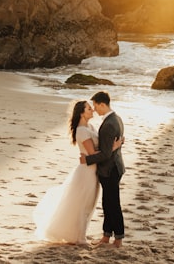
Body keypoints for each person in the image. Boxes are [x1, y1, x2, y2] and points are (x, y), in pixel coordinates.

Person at [33, 100, 121, 246]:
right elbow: (93, 153)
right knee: (83, 205)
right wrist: (113, 147)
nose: (92, 110)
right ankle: (80, 238)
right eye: (88, 108)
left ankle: (80, 235)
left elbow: (96, 151)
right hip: (86, 172)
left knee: (88, 204)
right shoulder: (82, 130)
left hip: (93, 171)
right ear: (81, 112)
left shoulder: (90, 126)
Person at [82, 91, 126, 247]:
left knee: (112, 204)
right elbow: (119, 142)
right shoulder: (117, 119)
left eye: (95, 105)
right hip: (116, 167)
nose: (94, 109)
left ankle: (118, 238)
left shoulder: (108, 124)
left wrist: (87, 159)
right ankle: (107, 236)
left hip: (110, 169)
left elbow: (106, 154)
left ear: (102, 104)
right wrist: (114, 148)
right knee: (108, 202)